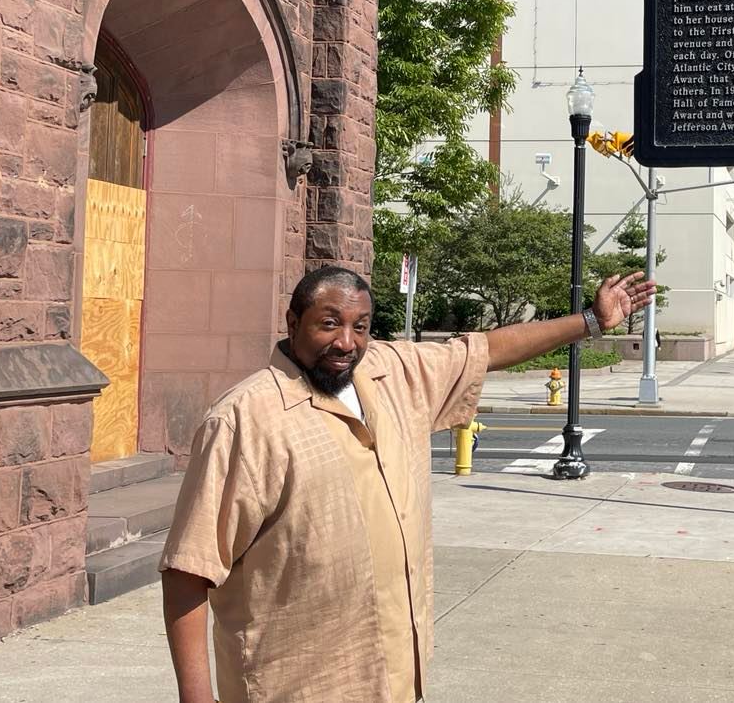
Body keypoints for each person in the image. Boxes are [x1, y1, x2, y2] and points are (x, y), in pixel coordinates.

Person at [160, 265, 655, 703]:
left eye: (360, 327)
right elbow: (190, 569)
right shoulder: (244, 420)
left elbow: (485, 350)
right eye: (328, 323)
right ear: (293, 324)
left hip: (394, 678)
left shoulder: (392, 373)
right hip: (297, 684)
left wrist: (590, 321)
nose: (346, 343)